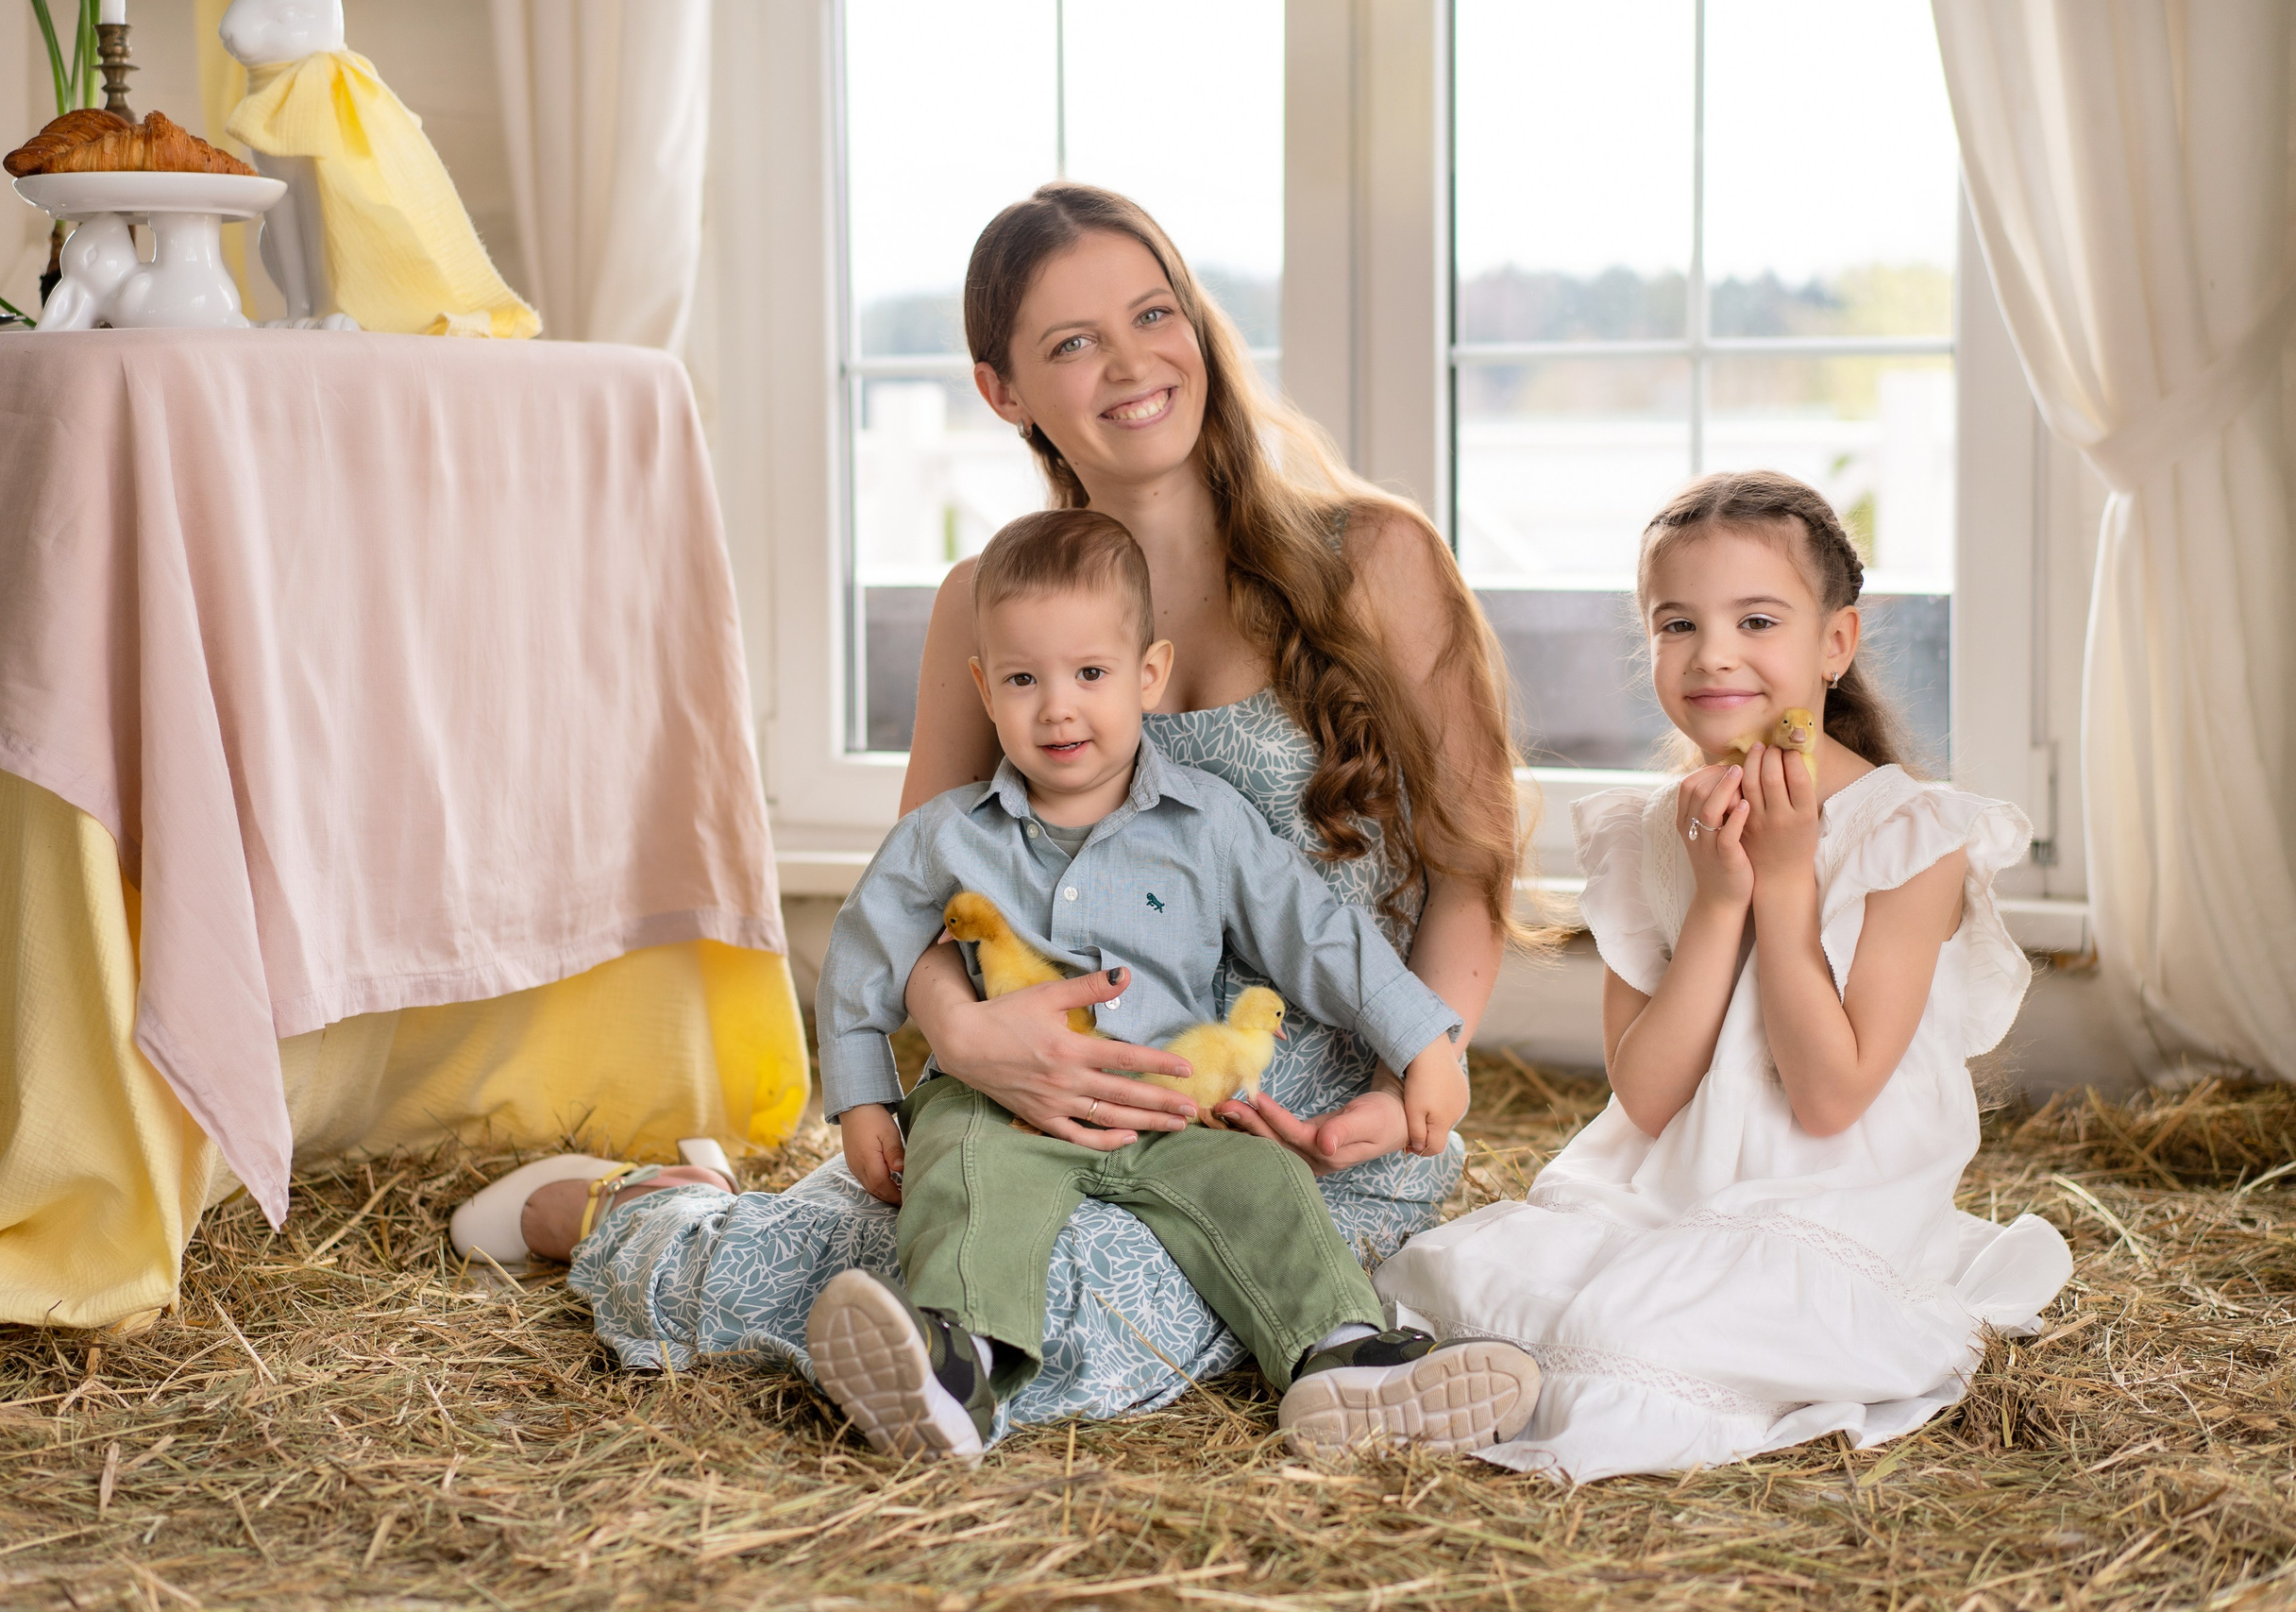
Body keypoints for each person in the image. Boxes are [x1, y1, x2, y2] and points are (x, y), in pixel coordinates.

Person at [463, 183, 1525, 1450]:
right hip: (1040, 1088)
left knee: (1077, 1303)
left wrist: (1419, 1093)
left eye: (1153, 313)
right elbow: (915, 892)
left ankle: (1333, 1361)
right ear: (1003, 389)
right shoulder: (986, 605)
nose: (1132, 363)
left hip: (1305, 1118)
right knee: (898, 1253)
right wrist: (965, 1037)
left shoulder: (1376, 557)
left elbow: (1474, 863)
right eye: (1073, 343)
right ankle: (624, 1206)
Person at [1371, 470, 2074, 1482]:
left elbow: (1831, 1099)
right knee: (1473, 1281)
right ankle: (1429, 1395)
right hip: (1664, 1182)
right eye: (1675, 624)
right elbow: (1648, 1097)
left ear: (1835, 643)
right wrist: (1713, 900)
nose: (1712, 655)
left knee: (1637, 1332)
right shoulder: (1651, 834)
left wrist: (1783, 887)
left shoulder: (1908, 833)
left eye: (1756, 619)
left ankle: (1510, 1400)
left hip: (1825, 1195)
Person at [802, 507, 1535, 1463]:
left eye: (1090, 675)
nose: (1057, 708)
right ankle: (955, 1366)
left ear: (1148, 675)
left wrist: (1420, 1044)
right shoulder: (946, 837)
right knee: (965, 1176)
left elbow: (1318, 937)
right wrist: (863, 1099)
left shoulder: (1208, 825)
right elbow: (863, 952)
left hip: (1171, 1112)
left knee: (1267, 1182)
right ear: (983, 690)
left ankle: (1343, 1359)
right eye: (1023, 680)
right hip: (1006, 1106)